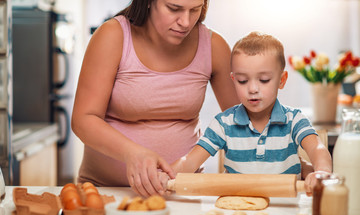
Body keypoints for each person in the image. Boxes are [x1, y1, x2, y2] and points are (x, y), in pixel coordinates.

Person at [71, 0, 239, 197]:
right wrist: (131, 153)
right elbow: (83, 119)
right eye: (174, 8)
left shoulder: (213, 46)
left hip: (185, 192)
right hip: (107, 192)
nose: (185, 22)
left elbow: (239, 125)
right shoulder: (112, 35)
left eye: (195, 10)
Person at [160, 31, 332, 194]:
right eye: (243, 81)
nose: (252, 89)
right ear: (233, 80)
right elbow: (189, 161)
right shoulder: (223, 124)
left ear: (282, 80)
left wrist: (321, 171)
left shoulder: (294, 120)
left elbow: (317, 148)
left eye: (264, 80)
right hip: (236, 210)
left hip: (286, 210)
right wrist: (165, 175)